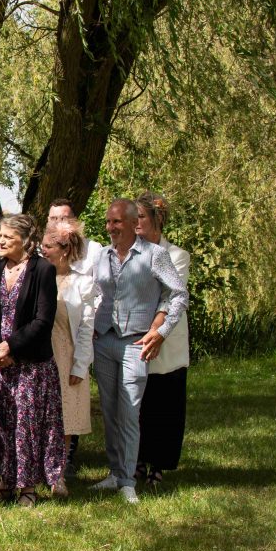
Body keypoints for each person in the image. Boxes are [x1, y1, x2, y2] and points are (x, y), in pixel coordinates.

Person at [89, 199, 188, 504]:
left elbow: (178, 294)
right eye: (108, 222)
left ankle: (128, 480)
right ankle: (115, 472)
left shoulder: (155, 255)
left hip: (136, 341)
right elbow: (95, 293)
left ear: (134, 223)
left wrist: (160, 331)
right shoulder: (103, 256)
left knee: (130, 410)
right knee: (109, 410)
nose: (110, 228)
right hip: (104, 339)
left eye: (116, 222)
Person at [0, 214, 65, 508]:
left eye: (7, 237)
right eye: (0, 236)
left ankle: (27, 487)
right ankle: (5, 484)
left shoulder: (42, 270)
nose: (0, 241)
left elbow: (43, 319)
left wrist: (10, 348)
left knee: (26, 427)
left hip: (30, 364)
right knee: (1, 424)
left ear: (25, 240)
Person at [135, 192, 191, 489]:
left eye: (141, 217)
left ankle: (159, 465)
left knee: (166, 404)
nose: (136, 222)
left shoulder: (177, 256)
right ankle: (138, 461)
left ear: (156, 220)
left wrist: (157, 331)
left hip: (166, 341)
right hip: (135, 338)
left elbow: (171, 298)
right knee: (140, 405)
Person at [41, 220, 96, 484]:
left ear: (64, 250)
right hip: (40, 353)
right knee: (41, 414)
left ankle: (58, 474)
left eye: (48, 246)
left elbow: (86, 328)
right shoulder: (37, 276)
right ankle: (38, 471)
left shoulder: (83, 283)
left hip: (67, 354)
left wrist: (80, 365)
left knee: (64, 418)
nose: (43, 250)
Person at [47, 198, 103, 277]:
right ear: (48, 220)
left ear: (74, 220)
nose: (58, 222)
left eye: (64, 218)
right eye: (53, 218)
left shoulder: (93, 250)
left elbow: (101, 286)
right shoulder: (40, 251)